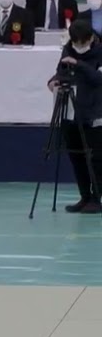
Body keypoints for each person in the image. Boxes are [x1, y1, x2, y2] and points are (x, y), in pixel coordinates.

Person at [49, 19, 102, 212]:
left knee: (95, 159)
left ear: (91, 38)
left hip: (95, 112)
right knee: (76, 156)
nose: (78, 46)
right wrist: (53, 81)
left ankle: (96, 198)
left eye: (82, 42)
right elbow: (60, 72)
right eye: (75, 43)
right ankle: (84, 196)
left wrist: (78, 64)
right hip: (70, 111)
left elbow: (98, 79)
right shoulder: (68, 49)